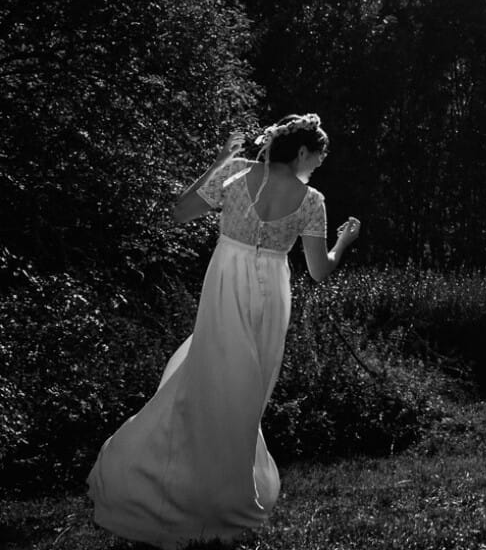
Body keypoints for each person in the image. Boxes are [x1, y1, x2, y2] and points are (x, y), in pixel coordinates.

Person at [89, 114, 362, 548]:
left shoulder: (234, 173)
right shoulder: (312, 201)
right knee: (245, 394)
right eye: (318, 156)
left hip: (226, 282)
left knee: (207, 378)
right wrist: (343, 243)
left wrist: (217, 161)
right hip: (271, 296)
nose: (319, 165)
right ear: (303, 152)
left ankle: (185, 484)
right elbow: (318, 270)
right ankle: (217, 493)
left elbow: (179, 212)